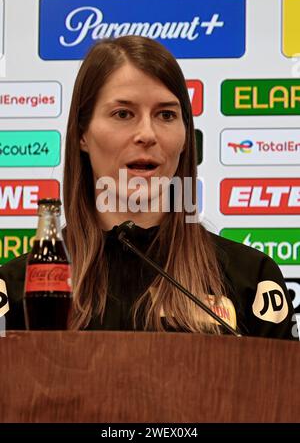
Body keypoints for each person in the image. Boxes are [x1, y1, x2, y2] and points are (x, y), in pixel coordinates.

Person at [0, 36, 297, 339]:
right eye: (123, 114)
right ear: (82, 134)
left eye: (166, 115)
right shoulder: (16, 290)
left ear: (185, 136)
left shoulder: (251, 279)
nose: (147, 134)